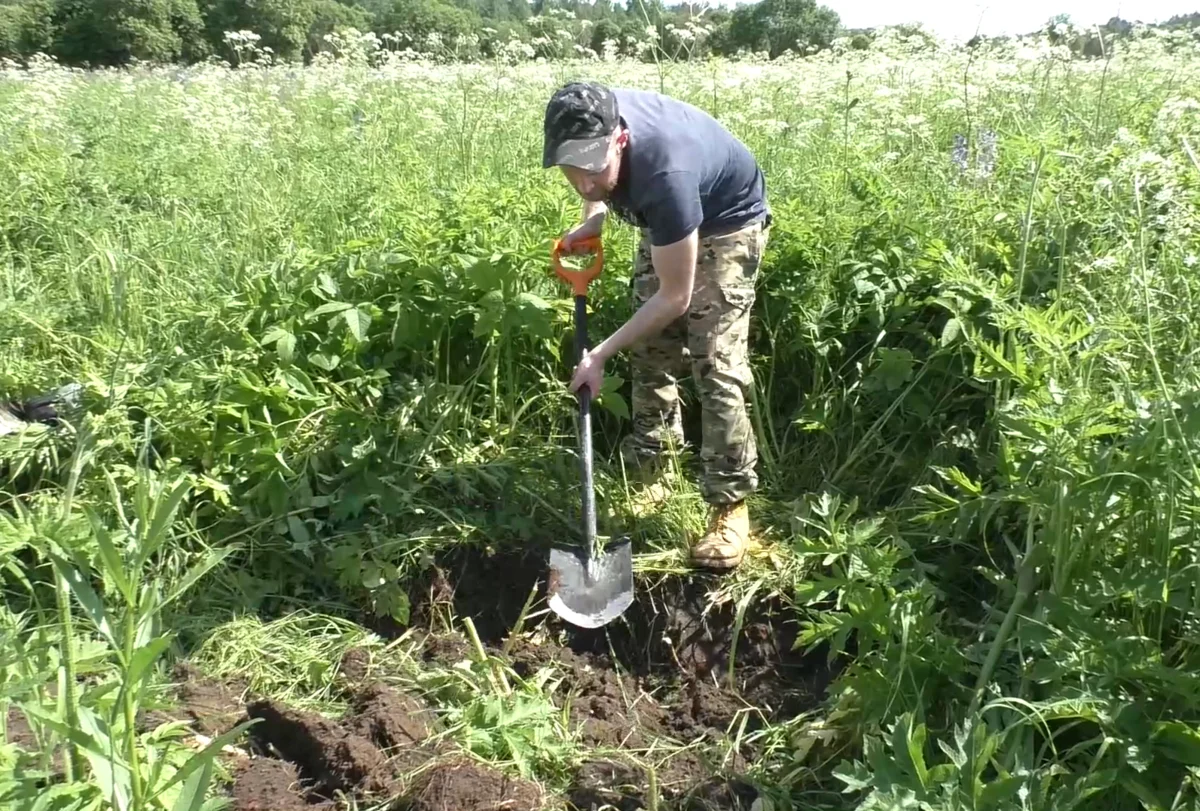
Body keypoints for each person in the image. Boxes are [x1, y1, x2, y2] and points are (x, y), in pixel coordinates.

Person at [541, 81, 771, 571]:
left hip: (727, 222)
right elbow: (592, 178)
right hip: (668, 223)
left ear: (619, 141)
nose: (582, 182)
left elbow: (675, 296)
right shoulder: (588, 117)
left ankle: (729, 504)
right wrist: (596, 213)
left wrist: (599, 354)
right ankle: (655, 470)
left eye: (593, 168)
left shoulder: (665, 172)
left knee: (716, 364)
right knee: (650, 349)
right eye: (570, 169)